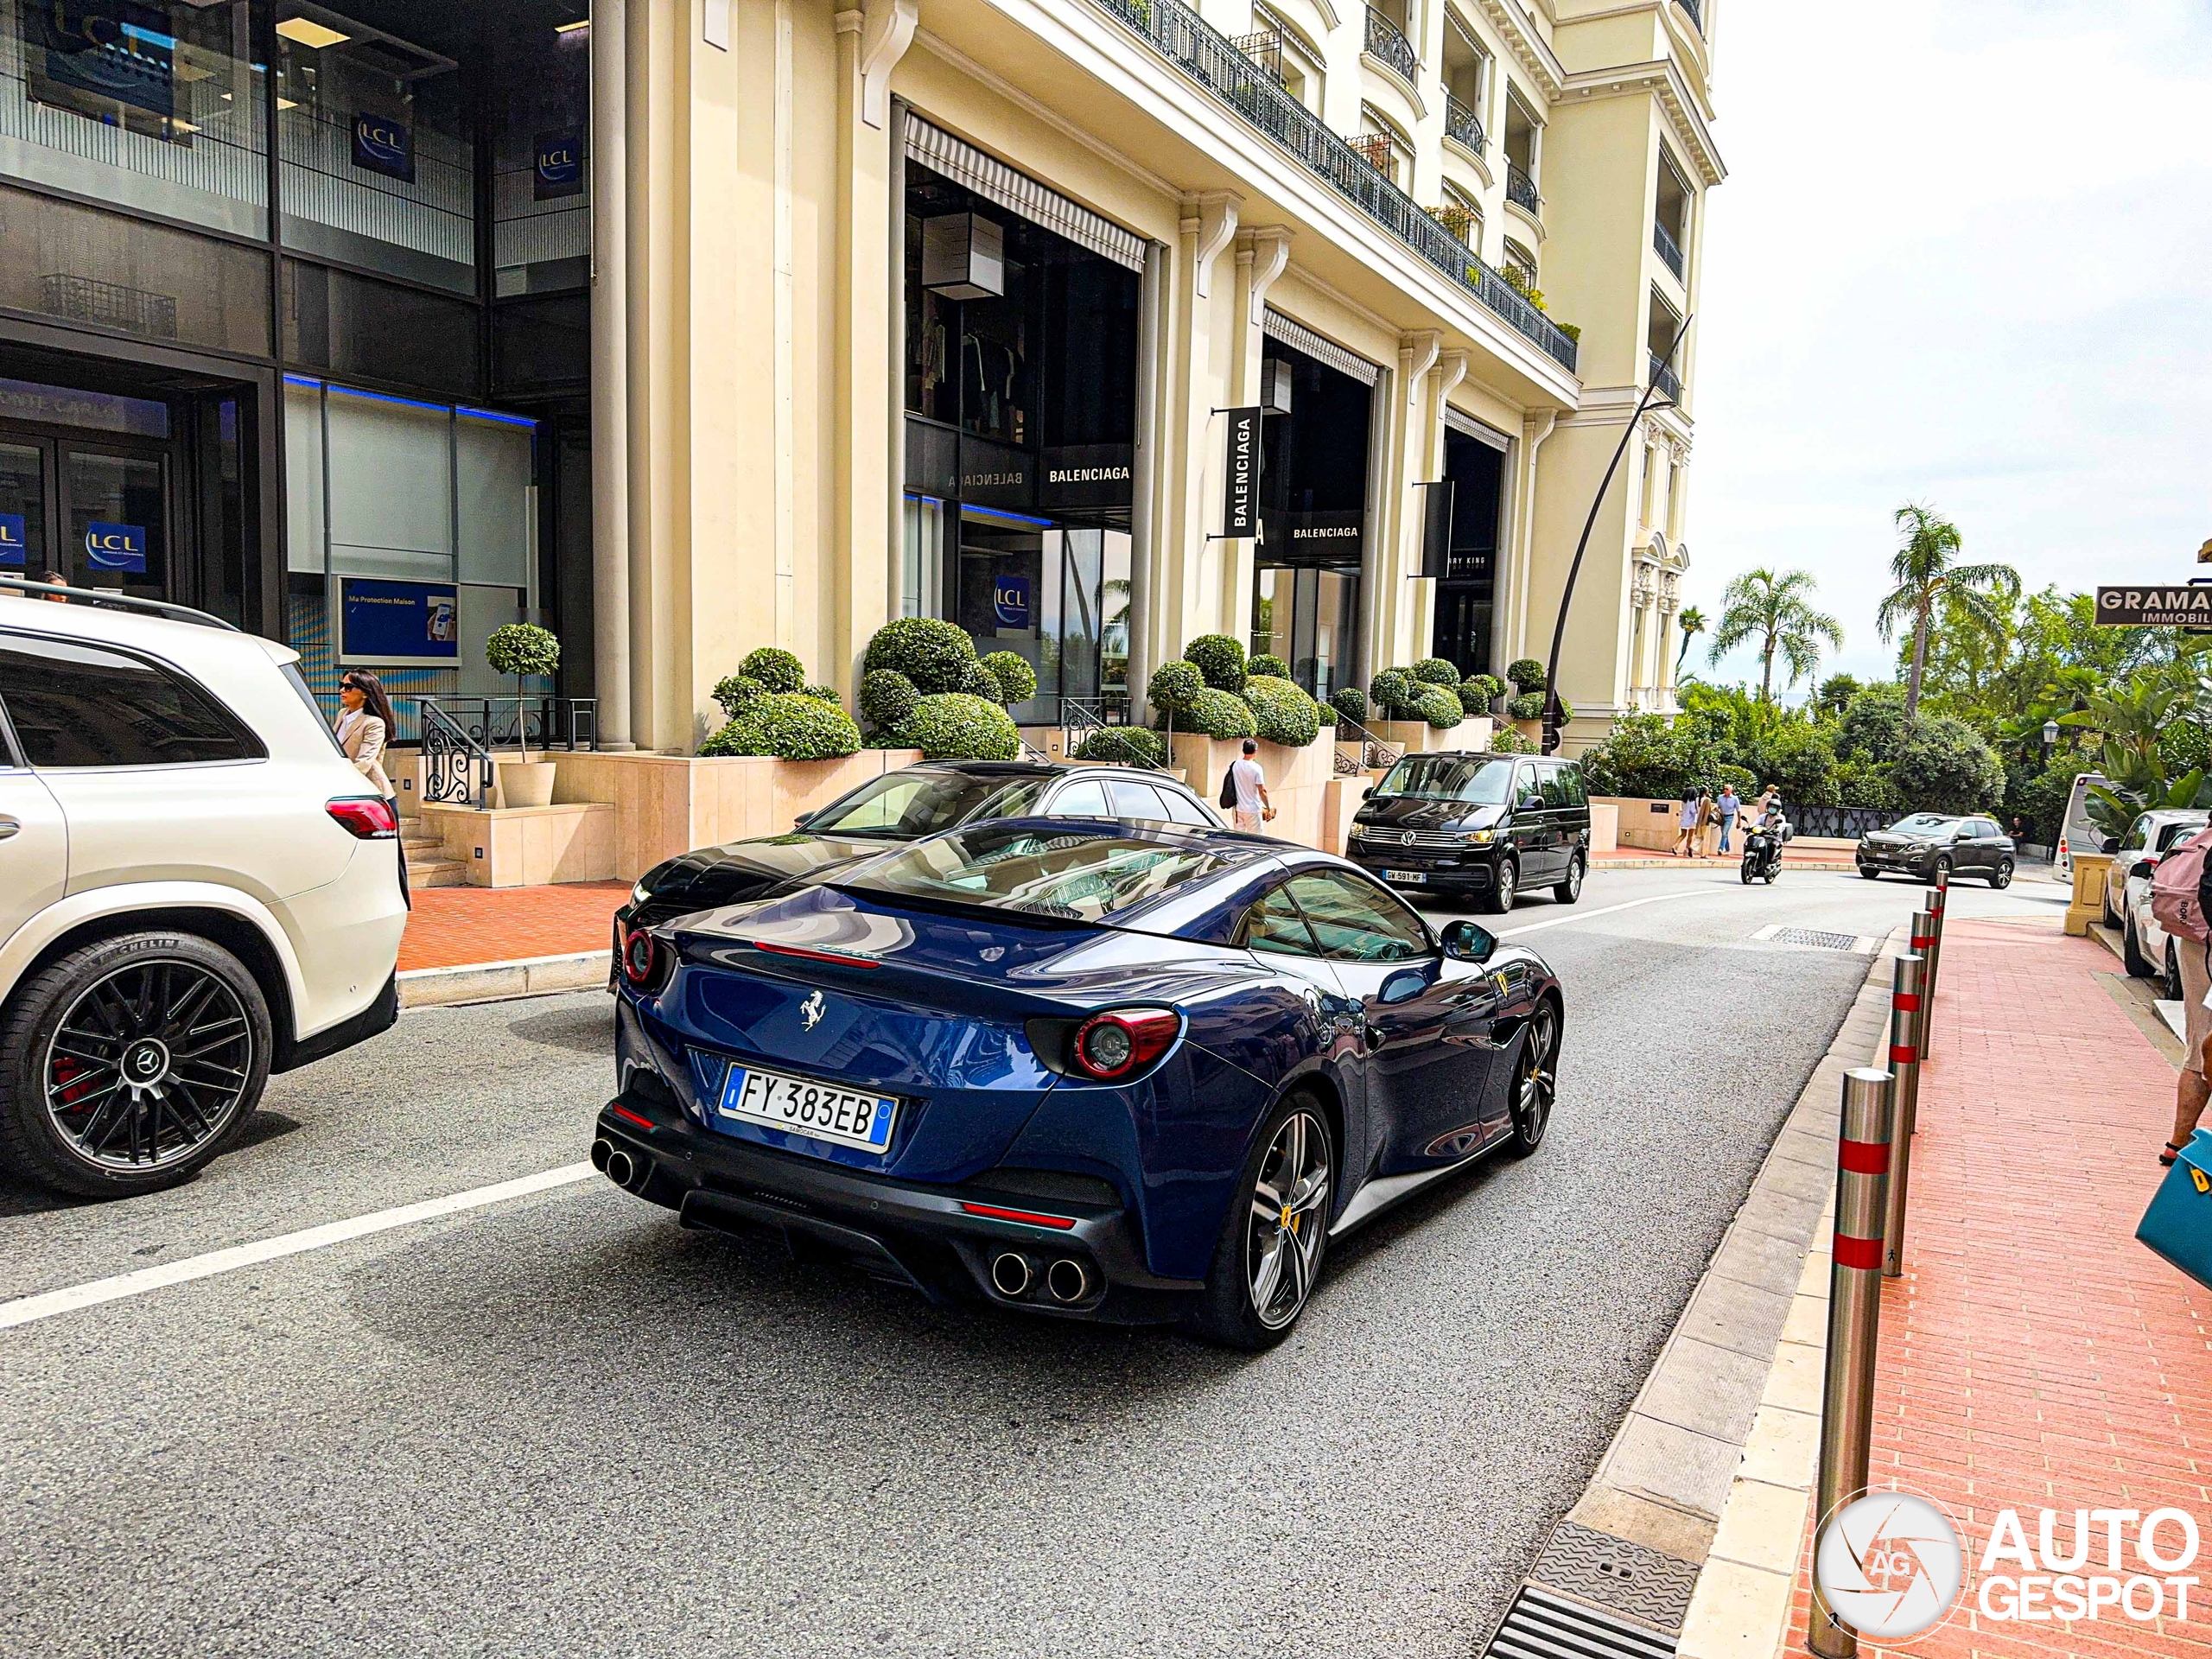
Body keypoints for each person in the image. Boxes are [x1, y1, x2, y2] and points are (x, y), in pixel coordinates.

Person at [335, 670, 409, 899]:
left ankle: (400, 900)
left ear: (365, 694)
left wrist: (337, 784)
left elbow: (364, 762)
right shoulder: (342, 714)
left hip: (373, 795)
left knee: (389, 855)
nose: (342, 691)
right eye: (342, 685)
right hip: (347, 793)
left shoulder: (374, 723)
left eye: (348, 688)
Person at [1227, 738, 1274, 833]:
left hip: (1238, 809)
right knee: (1256, 841)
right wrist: (1268, 809)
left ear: (1243, 750)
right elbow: (1262, 791)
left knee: (1239, 839)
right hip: (1253, 810)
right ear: (1255, 751)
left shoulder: (1235, 765)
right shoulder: (1257, 768)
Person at [1716, 784, 1742, 854]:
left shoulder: (1735, 798)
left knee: (1724, 833)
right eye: (1724, 789)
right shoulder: (1720, 797)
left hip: (1729, 817)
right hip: (1722, 817)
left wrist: (1739, 821)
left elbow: (1738, 809)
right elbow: (1717, 806)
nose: (1725, 790)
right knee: (1725, 834)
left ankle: (1721, 848)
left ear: (1731, 790)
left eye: (1727, 789)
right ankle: (1728, 849)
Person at [1675, 788, 1699, 857]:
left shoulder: (1683, 801)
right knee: (1690, 836)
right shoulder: (1693, 802)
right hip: (1691, 820)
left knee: (1683, 835)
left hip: (1683, 819)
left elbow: (1682, 810)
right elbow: (1693, 811)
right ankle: (1687, 849)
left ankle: (1675, 845)